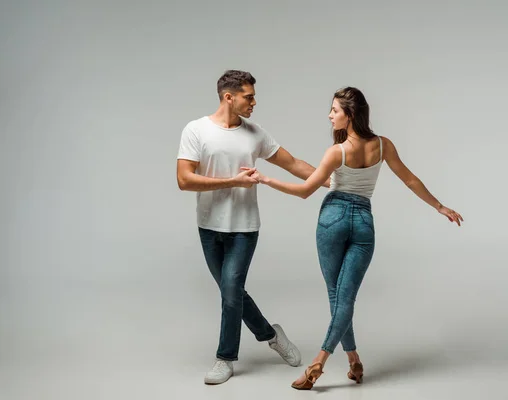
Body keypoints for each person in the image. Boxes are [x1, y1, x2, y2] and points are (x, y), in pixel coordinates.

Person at [248, 87, 464, 390]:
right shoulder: (382, 145)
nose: (330, 115)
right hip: (364, 221)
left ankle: (318, 363)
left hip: (332, 219)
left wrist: (265, 178)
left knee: (338, 297)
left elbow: (305, 190)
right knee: (344, 298)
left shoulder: (337, 152)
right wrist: (439, 206)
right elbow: (410, 179)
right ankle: (353, 359)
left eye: (334, 110)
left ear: (349, 115)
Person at [176, 70, 328, 385]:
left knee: (230, 291)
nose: (254, 102)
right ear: (228, 96)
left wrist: (334, 181)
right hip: (208, 227)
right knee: (232, 292)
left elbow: (293, 163)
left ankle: (225, 358)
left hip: (244, 228)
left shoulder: (255, 133)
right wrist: (233, 180)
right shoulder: (196, 130)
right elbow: (184, 179)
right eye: (249, 96)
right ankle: (272, 334)